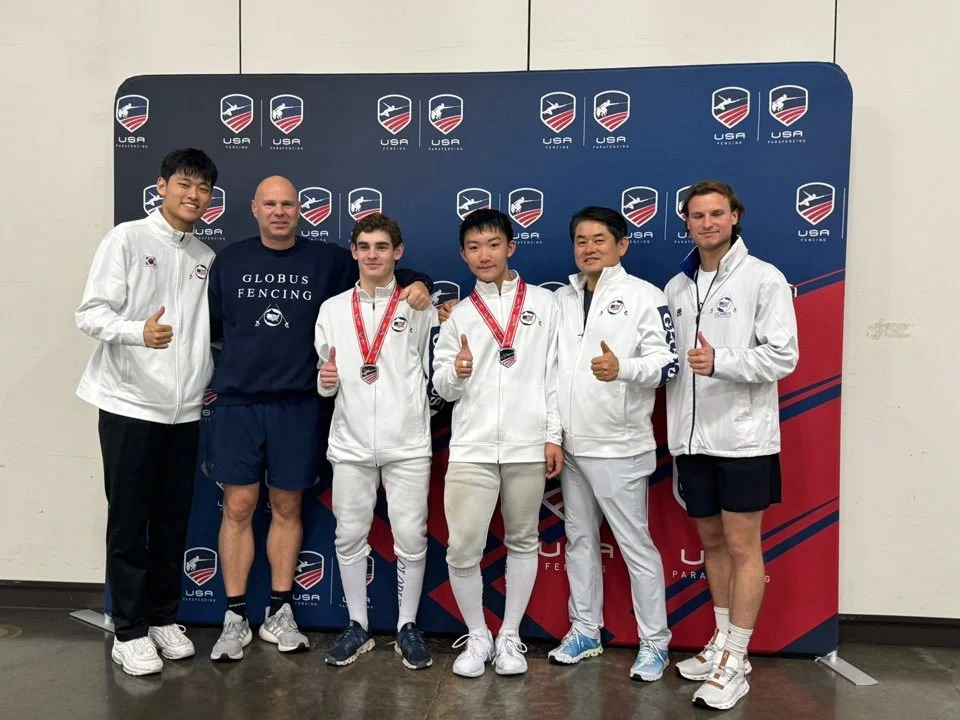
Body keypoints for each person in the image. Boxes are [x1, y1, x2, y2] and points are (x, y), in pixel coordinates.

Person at [207, 176, 432, 662]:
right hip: (239, 401)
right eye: (270, 203)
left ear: (301, 209)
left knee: (288, 507)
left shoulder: (327, 259)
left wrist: (423, 284)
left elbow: (388, 274)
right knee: (238, 507)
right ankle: (233, 616)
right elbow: (213, 327)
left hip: (298, 404)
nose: (280, 211)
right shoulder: (229, 260)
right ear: (254, 208)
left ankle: (282, 610)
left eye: (288, 203)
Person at [76, 148, 218, 676]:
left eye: (203, 189)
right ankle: (129, 628)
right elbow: (89, 313)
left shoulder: (203, 255)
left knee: (173, 519)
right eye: (184, 184)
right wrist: (139, 331)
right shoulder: (126, 238)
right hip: (129, 404)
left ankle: (162, 617)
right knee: (130, 520)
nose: (193, 195)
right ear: (162, 186)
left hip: (183, 412)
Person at [666, 180, 798, 710]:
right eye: (697, 216)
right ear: (687, 222)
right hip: (692, 442)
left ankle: (737, 660)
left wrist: (722, 360)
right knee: (713, 545)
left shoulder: (764, 278)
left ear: (735, 216)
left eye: (716, 214)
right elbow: (671, 365)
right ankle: (721, 643)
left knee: (743, 547)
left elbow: (782, 357)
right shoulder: (677, 286)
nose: (707, 223)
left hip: (744, 441)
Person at [548, 206, 678, 681]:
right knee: (579, 541)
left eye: (599, 239)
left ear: (622, 244)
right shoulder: (561, 299)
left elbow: (669, 364)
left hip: (620, 447)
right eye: (581, 240)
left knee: (634, 546)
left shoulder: (645, 296)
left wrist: (622, 367)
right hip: (573, 448)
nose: (589, 248)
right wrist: (553, 434)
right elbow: (551, 374)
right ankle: (586, 630)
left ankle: (654, 643)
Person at [433, 208, 563, 678]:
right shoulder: (459, 315)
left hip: (528, 446)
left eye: (492, 244)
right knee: (463, 548)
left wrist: (552, 436)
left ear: (510, 247)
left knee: (523, 540)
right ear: (464, 256)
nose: (483, 255)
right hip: (472, 448)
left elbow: (554, 375)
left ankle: (510, 635)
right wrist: (458, 371)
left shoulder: (547, 305)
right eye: (473, 247)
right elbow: (443, 386)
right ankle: (478, 633)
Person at [314, 213, 437, 669]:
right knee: (349, 535)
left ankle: (407, 625)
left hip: (406, 443)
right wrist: (326, 380)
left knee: (410, 536)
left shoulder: (417, 304)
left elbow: (435, 358)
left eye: (381, 246)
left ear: (397, 253)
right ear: (354, 252)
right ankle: (358, 626)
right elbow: (327, 384)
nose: (372, 254)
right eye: (364, 246)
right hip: (349, 443)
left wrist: (421, 289)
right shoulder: (331, 309)